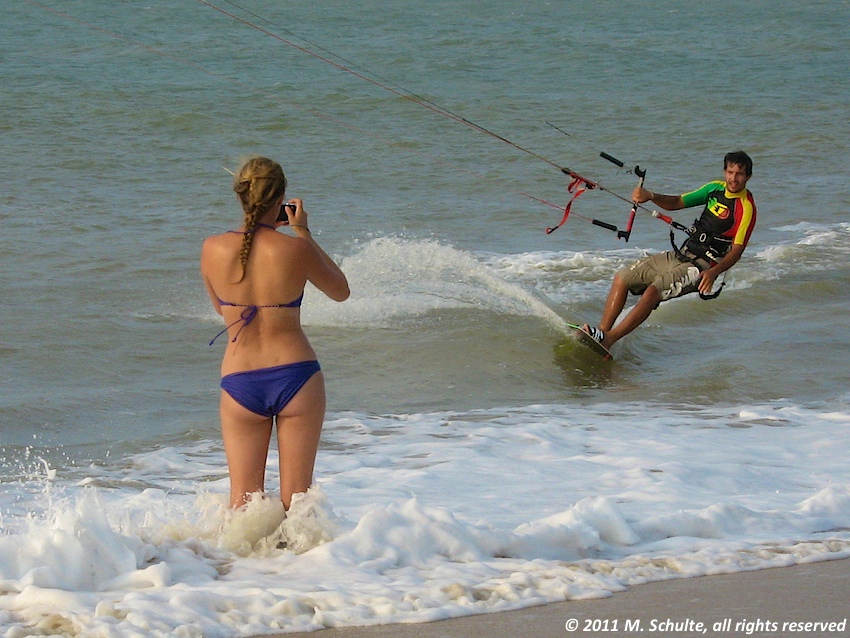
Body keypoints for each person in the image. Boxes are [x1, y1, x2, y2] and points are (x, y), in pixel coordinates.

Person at [201, 157, 350, 510]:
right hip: (295, 374)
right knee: (298, 503)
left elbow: (221, 310)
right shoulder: (296, 249)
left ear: (241, 195)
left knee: (242, 505)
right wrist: (303, 232)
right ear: (281, 197)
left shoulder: (211, 248)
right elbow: (341, 291)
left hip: (240, 379)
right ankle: (300, 563)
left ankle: (239, 565)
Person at [583, 150, 756, 350]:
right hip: (682, 254)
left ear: (748, 176)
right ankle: (600, 334)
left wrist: (713, 272)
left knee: (651, 293)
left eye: (739, 174)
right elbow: (678, 202)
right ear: (725, 171)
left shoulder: (746, 207)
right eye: (730, 172)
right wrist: (650, 196)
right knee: (622, 278)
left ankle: (609, 340)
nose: (733, 178)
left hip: (702, 266)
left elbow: (737, 250)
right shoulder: (714, 189)